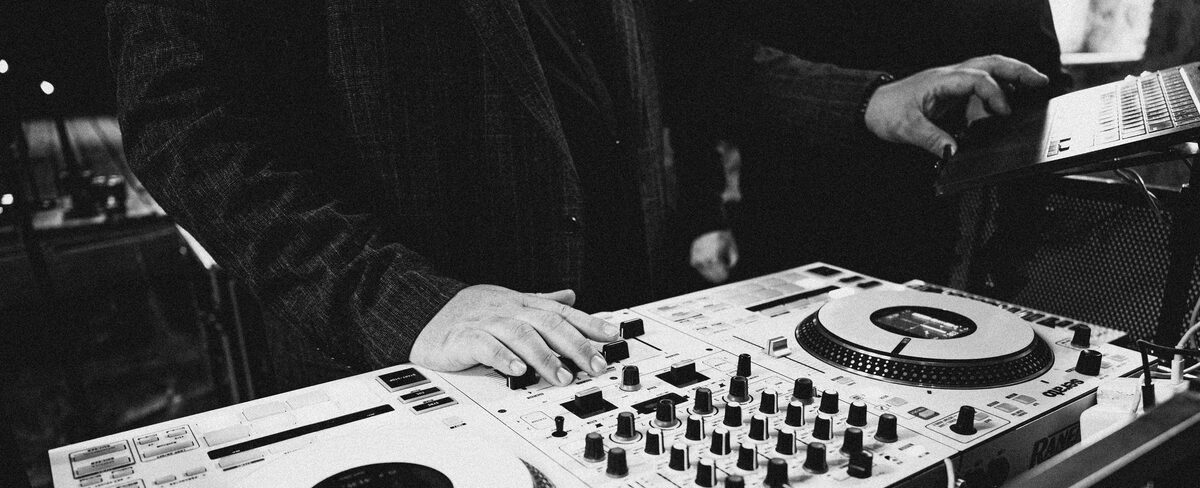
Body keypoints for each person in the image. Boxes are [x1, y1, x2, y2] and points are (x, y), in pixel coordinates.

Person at [106, 1, 1048, 389]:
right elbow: (180, 116)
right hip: (411, 367)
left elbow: (692, 59)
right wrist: (408, 303)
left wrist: (869, 102)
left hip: (604, 344)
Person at [682, 0, 1072, 288]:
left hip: (917, 225)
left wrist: (1012, 246)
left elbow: (1038, 90)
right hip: (781, 217)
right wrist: (704, 216)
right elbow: (710, 68)